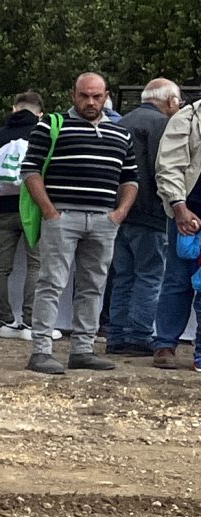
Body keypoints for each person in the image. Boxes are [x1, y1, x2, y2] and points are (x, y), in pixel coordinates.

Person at [20, 72, 137, 377]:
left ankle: (83, 349)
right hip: (64, 216)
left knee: (93, 286)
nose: (90, 102)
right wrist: (50, 211)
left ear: (106, 95)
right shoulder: (51, 124)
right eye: (84, 95)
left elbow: (130, 178)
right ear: (74, 95)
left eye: (96, 96)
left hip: (102, 219)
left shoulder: (121, 134)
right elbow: (30, 168)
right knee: (51, 283)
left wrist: (119, 214)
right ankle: (42, 350)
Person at [104, 78, 180, 359]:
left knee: (122, 276)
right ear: (170, 101)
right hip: (150, 213)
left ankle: (116, 334)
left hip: (117, 213)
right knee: (150, 275)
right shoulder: (163, 125)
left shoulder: (118, 123)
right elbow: (163, 170)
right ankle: (138, 335)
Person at [0, 93, 46, 339]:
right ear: (40, 113)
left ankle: (4, 321)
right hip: (35, 208)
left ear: (14, 108)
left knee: (0, 267)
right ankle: (30, 322)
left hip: (4, 209)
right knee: (35, 265)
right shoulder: (43, 134)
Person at [153, 85, 201, 365]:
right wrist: (179, 207)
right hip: (188, 214)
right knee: (178, 281)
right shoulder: (187, 118)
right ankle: (165, 344)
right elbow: (168, 167)